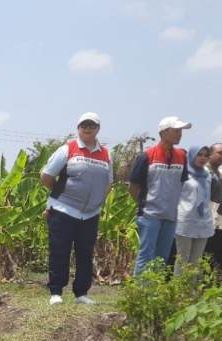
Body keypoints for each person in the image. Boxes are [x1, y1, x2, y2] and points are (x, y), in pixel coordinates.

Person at [39, 112, 114, 305]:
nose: (87, 128)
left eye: (92, 125)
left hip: (90, 213)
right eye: (84, 125)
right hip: (64, 209)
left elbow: (109, 183)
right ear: (78, 128)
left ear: (98, 129)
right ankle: (56, 291)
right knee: (60, 250)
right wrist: (61, 192)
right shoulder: (68, 149)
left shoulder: (106, 154)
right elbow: (46, 175)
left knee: (85, 253)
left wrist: (97, 201)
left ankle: (81, 293)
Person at [129, 117, 191, 275]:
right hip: (150, 215)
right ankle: (141, 293)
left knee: (162, 257)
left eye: (181, 131)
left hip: (171, 215)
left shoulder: (182, 156)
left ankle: (155, 293)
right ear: (163, 132)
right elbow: (134, 187)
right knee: (146, 255)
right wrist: (146, 205)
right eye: (176, 131)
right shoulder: (147, 156)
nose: (180, 134)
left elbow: (182, 183)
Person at [174, 145, 214, 275]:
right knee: (182, 258)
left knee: (196, 260)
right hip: (185, 220)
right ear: (192, 155)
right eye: (199, 154)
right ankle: (179, 291)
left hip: (204, 221)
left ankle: (191, 291)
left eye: (206, 155)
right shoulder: (182, 172)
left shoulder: (208, 174)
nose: (203, 158)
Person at [203, 144, 222, 272]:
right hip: (210, 220)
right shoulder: (205, 173)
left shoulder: (219, 174)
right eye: (219, 153)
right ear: (210, 153)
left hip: (221, 221)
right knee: (209, 253)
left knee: (220, 254)